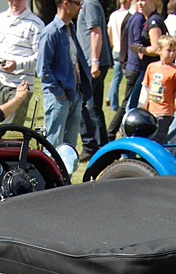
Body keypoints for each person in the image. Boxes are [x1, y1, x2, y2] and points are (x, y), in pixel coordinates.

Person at [107, 0, 165, 138]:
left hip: (148, 71)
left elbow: (157, 48)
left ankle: (120, 134)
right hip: (142, 69)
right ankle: (120, 133)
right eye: (137, 0)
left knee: (133, 106)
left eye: (144, 0)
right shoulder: (142, 18)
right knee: (131, 104)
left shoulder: (153, 21)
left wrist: (139, 49)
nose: (140, 3)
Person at [0, 0, 44, 126]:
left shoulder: (35, 24)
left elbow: (40, 56)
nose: (14, 2)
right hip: (0, 82)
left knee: (13, 129)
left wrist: (17, 65)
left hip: (21, 85)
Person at [38, 0, 90, 147]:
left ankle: (66, 171)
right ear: (66, 4)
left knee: (69, 148)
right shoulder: (50, 32)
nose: (80, 7)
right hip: (58, 97)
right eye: (78, 3)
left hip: (74, 94)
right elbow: (42, 69)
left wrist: (79, 92)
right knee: (53, 146)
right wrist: (60, 93)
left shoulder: (70, 28)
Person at [77, 0, 111, 160]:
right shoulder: (91, 3)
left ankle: (91, 146)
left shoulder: (89, 3)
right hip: (94, 62)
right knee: (94, 107)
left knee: (84, 105)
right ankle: (103, 146)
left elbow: (96, 32)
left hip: (92, 63)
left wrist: (94, 61)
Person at [143, 34, 176, 143]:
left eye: (174, 51)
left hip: (165, 113)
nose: (172, 54)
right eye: (168, 50)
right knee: (149, 139)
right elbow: (145, 88)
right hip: (151, 112)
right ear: (159, 51)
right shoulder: (151, 67)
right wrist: (141, 107)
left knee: (159, 141)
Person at [106, 0, 131, 109]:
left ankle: (111, 100)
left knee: (116, 77)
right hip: (125, 50)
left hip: (115, 49)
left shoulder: (113, 15)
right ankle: (121, 102)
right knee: (128, 78)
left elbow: (109, 31)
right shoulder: (129, 15)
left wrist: (111, 45)